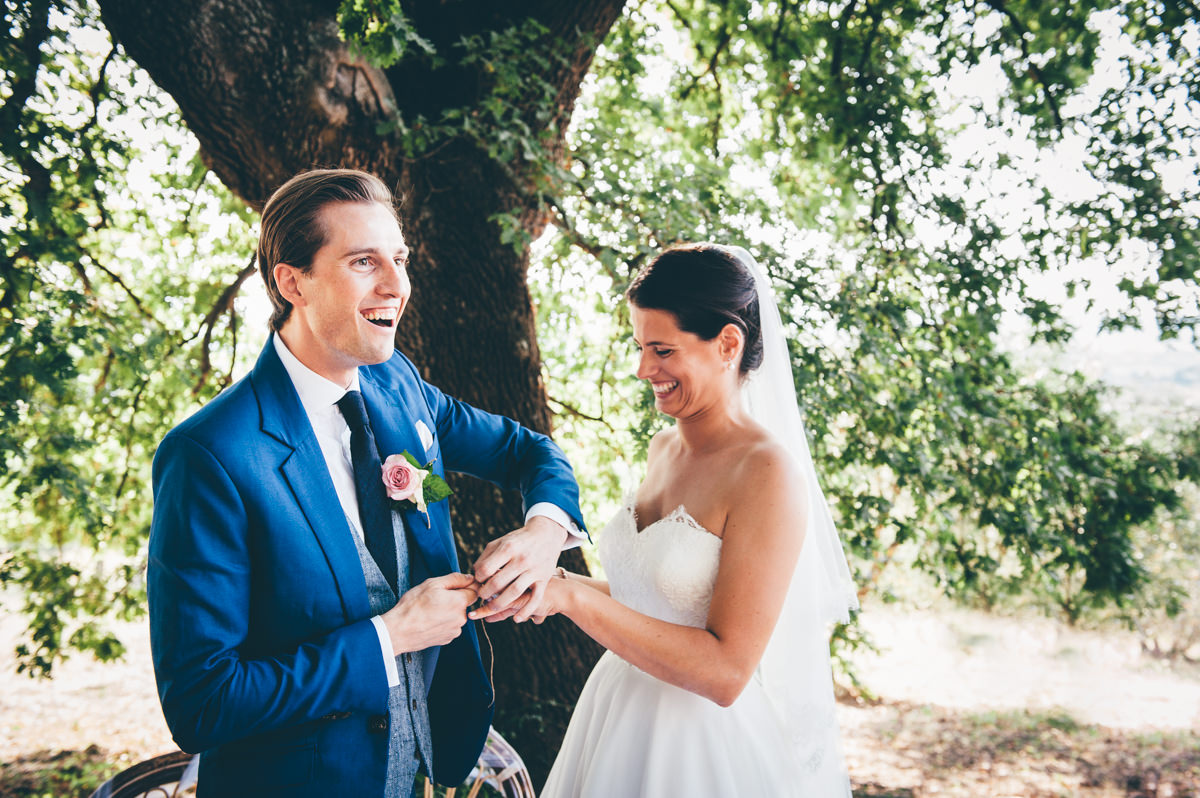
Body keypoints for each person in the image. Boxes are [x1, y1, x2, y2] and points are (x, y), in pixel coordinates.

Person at [147, 168, 585, 798]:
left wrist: (545, 533)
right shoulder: (210, 455)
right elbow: (202, 703)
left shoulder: (399, 386)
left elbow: (528, 452)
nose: (397, 285)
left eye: (400, 260)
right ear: (291, 281)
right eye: (363, 262)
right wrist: (391, 637)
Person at [523, 243, 858, 796]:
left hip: (698, 744)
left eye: (662, 350)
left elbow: (727, 672)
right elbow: (651, 597)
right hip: (614, 713)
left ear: (728, 343)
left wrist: (574, 599)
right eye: (638, 347)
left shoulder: (766, 472)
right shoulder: (663, 449)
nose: (642, 369)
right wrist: (548, 584)